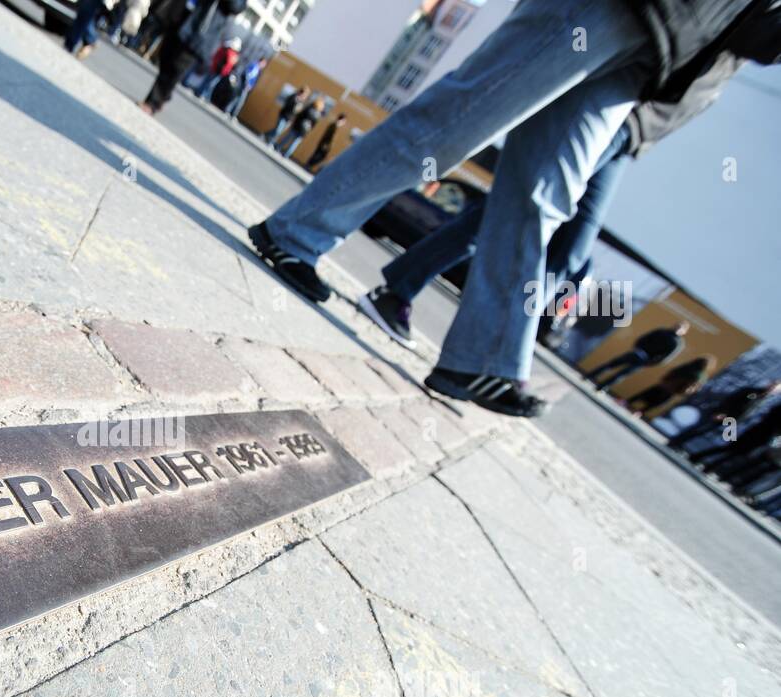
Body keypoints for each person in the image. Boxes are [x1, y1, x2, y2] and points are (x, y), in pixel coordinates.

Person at [245, 0, 781, 417]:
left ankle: (480, 361)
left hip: (661, 63)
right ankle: (294, 233)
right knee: (454, 127)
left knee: (545, 196)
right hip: (617, 10)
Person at [355, 44, 738, 353]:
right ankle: (484, 352)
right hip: (615, 113)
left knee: (519, 223)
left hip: (630, 135)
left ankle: (409, 296)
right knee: (554, 240)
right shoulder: (741, 20)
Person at [141, 0, 246, 115]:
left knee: (176, 67)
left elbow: (236, 6)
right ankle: (165, 94)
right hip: (182, 16)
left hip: (199, 28)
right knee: (165, 55)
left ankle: (153, 102)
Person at [668, 381, 781, 449]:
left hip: (730, 420)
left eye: (775, 389)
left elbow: (746, 412)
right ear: (769, 384)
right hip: (721, 414)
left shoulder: (762, 400)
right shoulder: (751, 391)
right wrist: (722, 412)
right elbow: (731, 400)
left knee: (702, 432)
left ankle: (680, 443)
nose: (772, 388)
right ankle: (675, 441)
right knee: (698, 428)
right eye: (773, 385)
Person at [586, 321, 690, 390]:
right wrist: (638, 348)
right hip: (637, 352)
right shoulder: (661, 331)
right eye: (677, 325)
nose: (677, 328)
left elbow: (665, 357)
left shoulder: (676, 343)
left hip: (645, 360)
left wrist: (649, 362)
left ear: (684, 332)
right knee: (611, 365)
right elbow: (644, 338)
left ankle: (601, 387)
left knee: (621, 374)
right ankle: (589, 376)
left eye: (680, 328)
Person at [626, 356, 715, 416]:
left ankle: (627, 402)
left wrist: (665, 379)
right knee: (656, 403)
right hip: (675, 390)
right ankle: (640, 412)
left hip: (666, 385)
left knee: (645, 394)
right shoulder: (701, 376)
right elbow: (695, 387)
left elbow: (673, 372)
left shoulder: (688, 366)